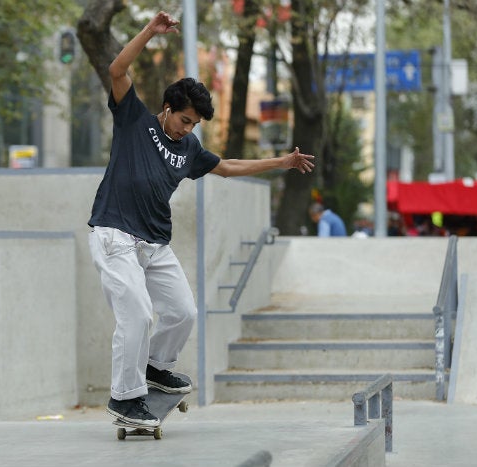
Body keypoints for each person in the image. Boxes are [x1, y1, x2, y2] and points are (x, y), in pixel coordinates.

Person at [87, 11, 315, 427]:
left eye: (193, 125)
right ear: (168, 108)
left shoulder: (190, 147)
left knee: (183, 312)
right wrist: (149, 32)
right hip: (115, 234)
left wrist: (281, 161)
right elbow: (117, 68)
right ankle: (125, 397)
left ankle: (155, 365)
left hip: (154, 243)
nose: (186, 129)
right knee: (137, 313)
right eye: (183, 120)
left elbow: (227, 167)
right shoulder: (133, 118)